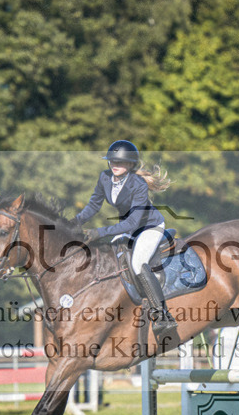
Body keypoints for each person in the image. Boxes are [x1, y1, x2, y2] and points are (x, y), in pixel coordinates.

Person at [72, 139, 177, 340]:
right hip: (129, 227)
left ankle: (162, 315)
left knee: (138, 264)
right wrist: (73, 222)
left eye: (120, 162)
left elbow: (133, 222)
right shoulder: (104, 177)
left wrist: (100, 232)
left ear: (130, 165)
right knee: (110, 258)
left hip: (149, 227)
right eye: (112, 161)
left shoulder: (138, 184)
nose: (114, 165)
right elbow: (93, 206)